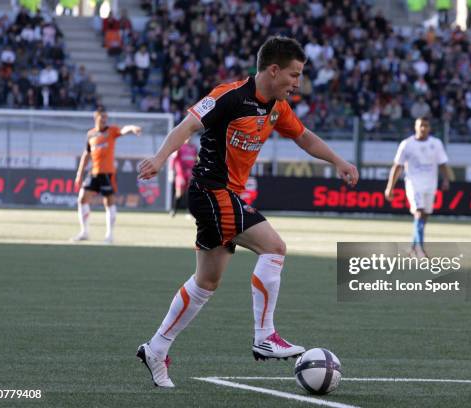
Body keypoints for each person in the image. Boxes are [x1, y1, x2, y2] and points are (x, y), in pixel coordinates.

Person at [135, 36, 359, 388]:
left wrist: (338, 161)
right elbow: (188, 125)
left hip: (223, 197)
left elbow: (304, 138)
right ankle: (265, 335)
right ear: (273, 69)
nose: (298, 82)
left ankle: (156, 348)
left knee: (206, 282)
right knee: (275, 247)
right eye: (294, 74)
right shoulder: (229, 96)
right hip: (212, 192)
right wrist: (161, 158)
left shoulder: (277, 107)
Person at [72, 106, 142, 244]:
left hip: (107, 173)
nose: (104, 120)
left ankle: (109, 235)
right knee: (82, 199)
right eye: (101, 117)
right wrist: (79, 173)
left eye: (106, 117)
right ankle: (84, 232)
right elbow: (86, 154)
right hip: (93, 172)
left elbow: (123, 130)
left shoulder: (111, 130)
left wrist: (132, 127)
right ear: (95, 117)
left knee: (109, 202)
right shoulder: (91, 134)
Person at [385, 117, 450, 258]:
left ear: (429, 128)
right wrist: (390, 187)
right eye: (420, 126)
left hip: (430, 184)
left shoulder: (436, 143)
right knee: (419, 213)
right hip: (414, 184)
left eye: (426, 126)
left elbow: (443, 163)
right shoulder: (407, 144)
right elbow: (397, 166)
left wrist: (446, 179)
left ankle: (413, 248)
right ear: (415, 127)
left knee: (424, 217)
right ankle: (420, 250)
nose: (423, 128)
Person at [169, 137, 198, 217]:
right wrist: (171, 171)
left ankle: (190, 212)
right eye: (187, 137)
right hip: (181, 175)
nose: (189, 139)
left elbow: (196, 160)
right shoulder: (179, 147)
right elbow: (173, 159)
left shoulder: (194, 148)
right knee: (179, 193)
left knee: (190, 193)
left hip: (190, 174)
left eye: (190, 138)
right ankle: (173, 210)